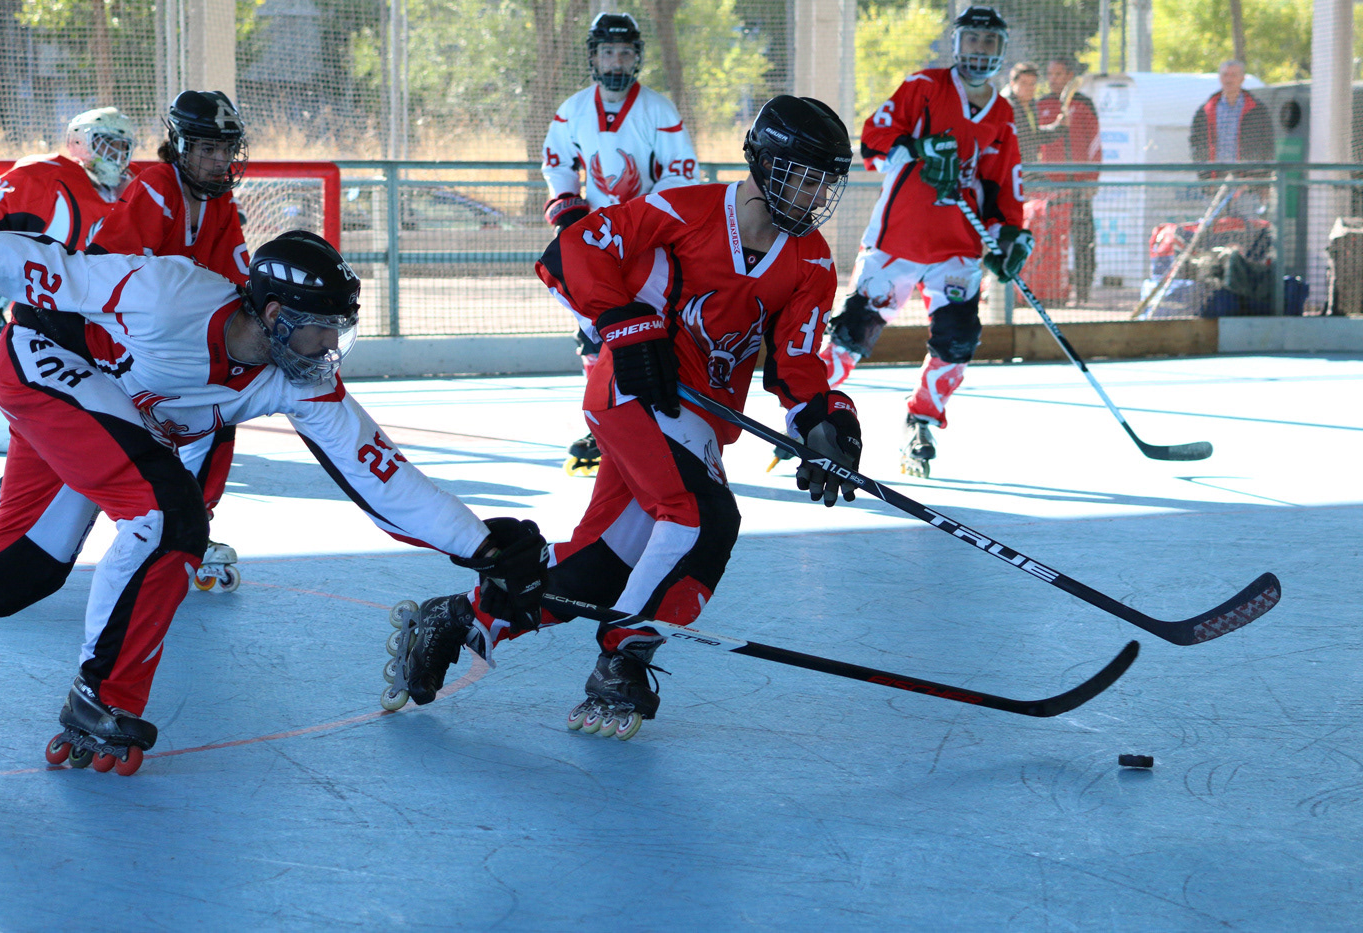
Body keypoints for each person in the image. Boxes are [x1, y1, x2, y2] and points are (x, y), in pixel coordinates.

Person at [0, 228, 548, 774]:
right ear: (274, 315)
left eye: (339, 330)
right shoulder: (170, 296)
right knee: (168, 517)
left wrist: (484, 547)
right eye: (320, 328)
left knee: (20, 573)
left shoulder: (300, 379)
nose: (328, 347)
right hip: (47, 365)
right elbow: (33, 260)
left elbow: (382, 476)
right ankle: (102, 696)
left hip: (107, 414)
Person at [387, 96, 861, 742]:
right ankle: (625, 655)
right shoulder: (685, 209)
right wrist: (628, 327)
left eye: (824, 183)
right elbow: (572, 250)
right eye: (803, 177)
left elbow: (798, 362)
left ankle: (462, 618)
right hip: (636, 395)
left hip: (698, 423)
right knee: (704, 518)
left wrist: (827, 423)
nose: (814, 197)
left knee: (599, 569)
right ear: (765, 164)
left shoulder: (810, 262)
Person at [817, 5, 1030, 478]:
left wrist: (1009, 236)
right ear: (957, 44)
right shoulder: (924, 87)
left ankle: (922, 421)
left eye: (989, 42)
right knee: (855, 331)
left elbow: (1001, 186)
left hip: (957, 247)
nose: (980, 50)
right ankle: (810, 413)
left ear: (1000, 49)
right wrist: (917, 149)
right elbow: (873, 140)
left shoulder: (1002, 113)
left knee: (957, 338)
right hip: (898, 240)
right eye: (972, 40)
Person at [89, 90, 253, 590]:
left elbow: (236, 280)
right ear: (179, 145)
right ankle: (182, 525)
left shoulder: (220, 203)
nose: (220, 160)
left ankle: (189, 524)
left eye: (226, 149)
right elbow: (109, 274)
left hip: (161, 348)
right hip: (113, 346)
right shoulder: (157, 186)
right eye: (208, 149)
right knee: (207, 414)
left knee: (221, 410)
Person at [541, 12, 699, 478]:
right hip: (592, 238)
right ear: (593, 56)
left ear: (638, 57)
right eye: (607, 51)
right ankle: (605, 421)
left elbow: (680, 171)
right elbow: (558, 164)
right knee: (594, 331)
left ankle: (656, 420)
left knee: (650, 326)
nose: (616, 60)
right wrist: (568, 209)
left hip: (646, 238)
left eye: (625, 51)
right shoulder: (572, 109)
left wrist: (650, 217)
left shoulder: (659, 109)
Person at [0, 106, 135, 351]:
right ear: (80, 141)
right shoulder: (46, 176)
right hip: (45, 310)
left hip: (107, 308)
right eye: (106, 143)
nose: (115, 153)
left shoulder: (138, 186)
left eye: (121, 145)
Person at [1036, 57, 1100, 305]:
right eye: (1050, 74)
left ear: (1070, 77)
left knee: (1083, 241)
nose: (1054, 79)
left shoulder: (1084, 104)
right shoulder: (1040, 104)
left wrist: (1091, 180)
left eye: (1059, 74)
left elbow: (1095, 143)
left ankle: (1083, 292)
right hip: (1049, 188)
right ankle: (1049, 292)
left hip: (1079, 186)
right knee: (1048, 240)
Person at [1189, 59, 1275, 218]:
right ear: (1220, 78)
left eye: (1233, 75)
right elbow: (1196, 145)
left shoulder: (1257, 110)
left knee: (1246, 232)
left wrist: (1258, 180)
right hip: (1214, 186)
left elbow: (1267, 147)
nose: (1229, 79)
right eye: (1225, 75)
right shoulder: (1205, 110)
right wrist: (1205, 178)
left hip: (1246, 187)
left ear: (1242, 78)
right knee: (1214, 233)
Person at [1001, 62, 1063, 161]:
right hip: (1010, 167)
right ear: (1013, 84)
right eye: (1024, 83)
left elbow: (1034, 136)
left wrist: (1059, 126)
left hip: (1028, 166)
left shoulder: (1031, 105)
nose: (1029, 88)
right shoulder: (1005, 107)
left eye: (1032, 83)